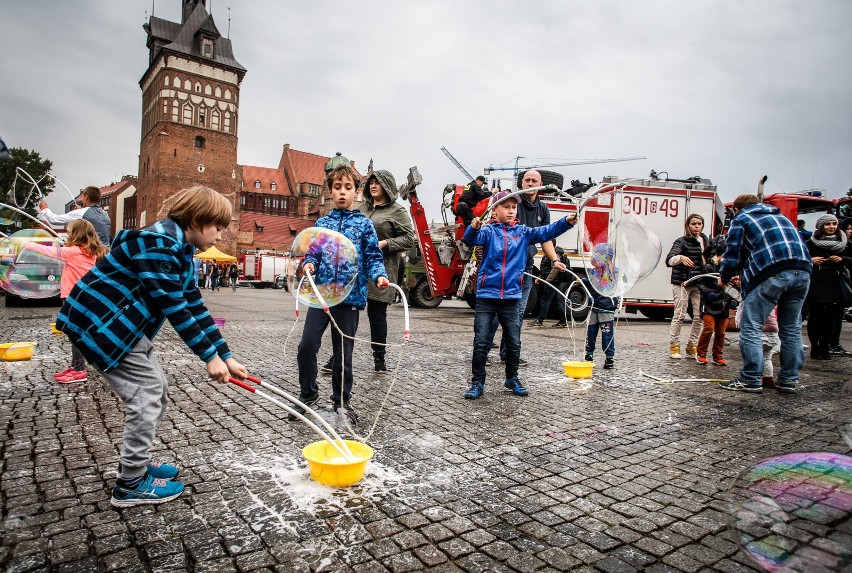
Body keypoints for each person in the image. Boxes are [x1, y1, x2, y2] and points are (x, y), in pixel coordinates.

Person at [56, 186, 247, 507]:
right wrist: (209, 357)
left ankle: (138, 462)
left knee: (155, 390)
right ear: (198, 221)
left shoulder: (179, 250)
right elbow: (175, 308)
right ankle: (131, 482)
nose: (220, 235)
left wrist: (225, 356)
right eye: (218, 227)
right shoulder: (160, 246)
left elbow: (195, 306)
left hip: (126, 329)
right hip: (104, 327)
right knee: (144, 397)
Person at [292, 164, 388, 425]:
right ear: (330, 192)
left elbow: (372, 256)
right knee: (307, 346)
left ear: (357, 192)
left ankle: (342, 403)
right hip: (322, 296)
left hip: (350, 298)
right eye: (337, 188)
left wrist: (379, 275)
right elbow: (313, 251)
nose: (342, 193)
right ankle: (308, 396)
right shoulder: (323, 223)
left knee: (343, 353)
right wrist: (310, 262)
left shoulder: (364, 224)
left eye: (348, 187)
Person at [463, 189, 576, 399]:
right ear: (495, 210)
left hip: (512, 298)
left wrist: (566, 222)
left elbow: (546, 232)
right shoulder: (488, 232)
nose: (511, 211)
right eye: (506, 207)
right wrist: (473, 226)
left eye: (514, 207)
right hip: (487, 297)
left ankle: (512, 378)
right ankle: (477, 382)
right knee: (481, 343)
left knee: (514, 343)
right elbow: (470, 239)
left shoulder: (523, 232)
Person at [718, 194, 811, 394]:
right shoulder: (781, 217)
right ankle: (788, 380)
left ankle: (751, 378)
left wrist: (724, 277)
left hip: (772, 272)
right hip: (803, 271)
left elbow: (732, 253)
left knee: (752, 326)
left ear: (736, 209)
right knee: (792, 329)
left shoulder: (741, 219)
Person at [491, 170, 567, 367]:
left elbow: (545, 238)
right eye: (527, 180)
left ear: (540, 183)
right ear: (521, 183)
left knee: (517, 313)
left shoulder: (543, 209)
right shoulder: (512, 202)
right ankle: (483, 351)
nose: (531, 183)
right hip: (504, 267)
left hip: (525, 267)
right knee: (493, 311)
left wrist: (554, 259)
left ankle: (508, 354)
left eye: (534, 180)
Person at [23, 219, 108, 383]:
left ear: (76, 235)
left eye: (70, 232)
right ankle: (77, 365)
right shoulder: (88, 251)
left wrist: (27, 244)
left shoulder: (74, 252)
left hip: (73, 298)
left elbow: (49, 252)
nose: (68, 235)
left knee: (74, 333)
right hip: (81, 297)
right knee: (76, 332)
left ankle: (79, 370)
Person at [359, 169, 416, 372]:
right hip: (357, 269)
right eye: (371, 182)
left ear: (387, 185)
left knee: (376, 314)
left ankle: (379, 358)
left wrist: (383, 243)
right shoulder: (361, 208)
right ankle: (337, 355)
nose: (373, 185)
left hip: (382, 268)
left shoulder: (397, 211)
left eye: (378, 182)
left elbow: (409, 239)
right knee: (348, 313)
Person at [804, 214, 847, 360]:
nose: (831, 227)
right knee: (815, 316)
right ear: (821, 227)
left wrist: (843, 259)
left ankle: (825, 347)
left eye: (834, 224)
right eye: (828, 224)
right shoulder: (810, 243)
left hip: (834, 283)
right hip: (815, 283)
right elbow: (800, 257)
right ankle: (815, 348)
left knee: (830, 318)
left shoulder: (844, 242)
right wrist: (811, 260)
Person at [665, 214, 709, 358]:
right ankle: (674, 345)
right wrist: (680, 258)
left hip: (699, 282)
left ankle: (692, 345)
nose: (697, 226)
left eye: (699, 224)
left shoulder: (706, 241)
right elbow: (670, 259)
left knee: (699, 316)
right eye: (693, 224)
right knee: (679, 314)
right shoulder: (681, 241)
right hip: (682, 282)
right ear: (687, 226)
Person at [694, 237, 737, 366]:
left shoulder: (730, 269)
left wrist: (732, 298)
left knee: (720, 333)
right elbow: (700, 283)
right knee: (708, 328)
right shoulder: (708, 267)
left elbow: (732, 286)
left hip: (723, 304)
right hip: (709, 304)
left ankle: (717, 356)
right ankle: (701, 353)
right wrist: (709, 293)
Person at [38, 186, 112, 246]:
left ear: (86, 197)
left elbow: (54, 220)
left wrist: (44, 209)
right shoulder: (105, 214)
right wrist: (81, 210)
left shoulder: (80, 213)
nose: (82, 200)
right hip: (104, 253)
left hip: (90, 253)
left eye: (83, 197)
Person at [581, 264, 620, 370]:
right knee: (590, 332)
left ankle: (609, 357)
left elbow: (601, 283)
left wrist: (585, 281)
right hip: (594, 305)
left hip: (606, 307)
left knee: (607, 333)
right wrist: (584, 281)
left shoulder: (613, 271)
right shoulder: (595, 270)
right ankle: (589, 355)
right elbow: (594, 282)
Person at [530, 246, 570, 327]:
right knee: (555, 301)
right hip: (551, 281)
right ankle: (563, 321)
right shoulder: (549, 254)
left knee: (545, 301)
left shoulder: (554, 254)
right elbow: (546, 268)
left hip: (552, 281)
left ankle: (539, 320)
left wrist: (547, 281)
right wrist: (540, 277)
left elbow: (554, 270)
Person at [829, 217, 852, 356]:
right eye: (848, 228)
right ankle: (831, 343)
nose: (850, 231)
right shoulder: (839, 243)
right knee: (833, 315)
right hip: (836, 282)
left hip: (845, 280)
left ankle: (834, 343)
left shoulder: (848, 244)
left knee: (838, 315)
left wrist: (844, 259)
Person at [760, 308, 781, 388]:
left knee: (753, 355)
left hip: (759, 333)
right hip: (772, 334)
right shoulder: (773, 302)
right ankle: (768, 378)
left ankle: (752, 377)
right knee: (767, 358)